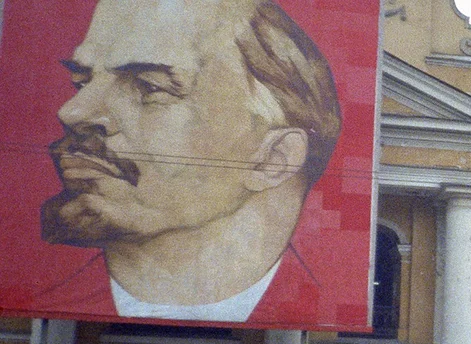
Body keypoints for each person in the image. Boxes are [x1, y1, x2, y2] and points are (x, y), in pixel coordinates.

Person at [35, 0, 342, 323]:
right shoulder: (38, 294)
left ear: (273, 159)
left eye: (150, 86)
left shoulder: (323, 307)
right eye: (82, 82)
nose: (72, 112)